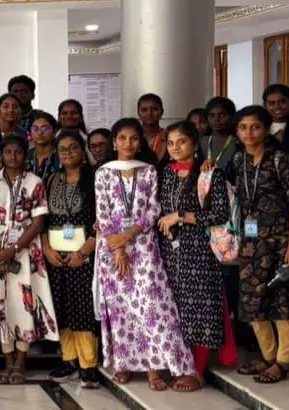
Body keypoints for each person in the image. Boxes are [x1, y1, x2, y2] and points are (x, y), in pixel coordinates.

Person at [95, 118, 194, 391]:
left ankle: (154, 367)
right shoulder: (103, 172)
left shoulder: (149, 171)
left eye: (134, 138)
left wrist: (129, 235)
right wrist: (118, 249)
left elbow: (154, 209)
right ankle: (124, 363)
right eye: (122, 138)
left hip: (144, 247)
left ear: (140, 143)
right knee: (121, 308)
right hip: (112, 250)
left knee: (151, 306)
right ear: (114, 142)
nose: (128, 143)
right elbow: (102, 213)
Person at [228, 106, 289, 384]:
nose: (249, 133)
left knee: (283, 304)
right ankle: (267, 356)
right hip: (251, 245)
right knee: (254, 304)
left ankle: (283, 362)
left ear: (265, 130)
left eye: (255, 127)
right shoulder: (238, 160)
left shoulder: (281, 159)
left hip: (280, 242)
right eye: (243, 127)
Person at [0, 135, 57, 385]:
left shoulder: (35, 182)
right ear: (0, 155)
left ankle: (21, 362)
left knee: (23, 304)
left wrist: (13, 249)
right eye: (8, 152)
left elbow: (38, 222)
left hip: (25, 251)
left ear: (25, 154)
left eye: (18, 152)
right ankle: (8, 361)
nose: (13, 156)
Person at [157, 121, 229, 392]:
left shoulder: (209, 173)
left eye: (182, 142)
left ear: (194, 143)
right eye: (170, 143)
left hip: (199, 251)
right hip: (170, 252)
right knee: (173, 309)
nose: (175, 147)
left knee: (199, 308)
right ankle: (176, 362)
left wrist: (180, 216)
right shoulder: (166, 173)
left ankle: (196, 370)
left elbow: (219, 214)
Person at [42, 132, 100, 388]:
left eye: (73, 148)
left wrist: (84, 252)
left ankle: (88, 365)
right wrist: (46, 249)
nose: (67, 153)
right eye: (62, 149)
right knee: (62, 309)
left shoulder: (95, 180)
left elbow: (103, 220)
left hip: (84, 256)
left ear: (82, 150)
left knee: (83, 310)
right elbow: (42, 219)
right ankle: (69, 360)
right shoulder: (51, 179)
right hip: (56, 257)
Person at [25, 111, 61, 181]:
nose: (39, 132)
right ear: (30, 133)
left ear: (54, 132)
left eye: (45, 129)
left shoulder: (61, 156)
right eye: (35, 129)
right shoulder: (26, 156)